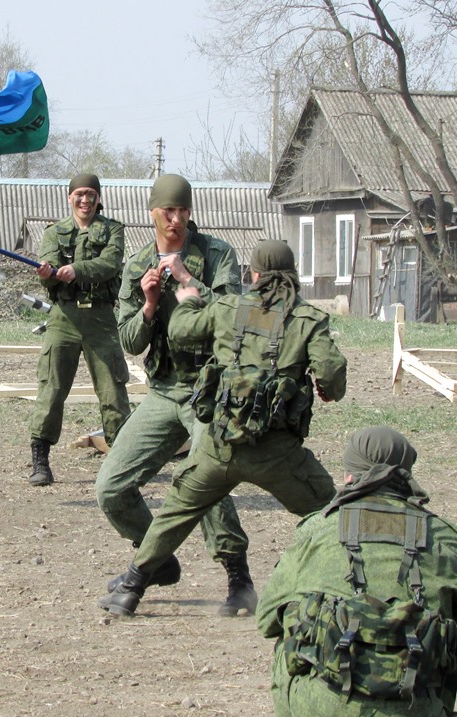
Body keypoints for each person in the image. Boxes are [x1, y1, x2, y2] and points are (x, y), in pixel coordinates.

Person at [99, 239, 348, 618]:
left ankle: (131, 588)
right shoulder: (308, 320)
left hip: (221, 448)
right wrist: (325, 388)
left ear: (254, 275)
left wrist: (192, 297)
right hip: (278, 455)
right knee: (331, 512)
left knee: (175, 512)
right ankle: (349, 581)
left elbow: (181, 330)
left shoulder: (229, 308)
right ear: (294, 276)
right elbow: (332, 376)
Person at [257, 426, 457, 717]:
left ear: (348, 474)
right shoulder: (448, 542)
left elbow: (268, 619)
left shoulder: (317, 529)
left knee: (288, 641)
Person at [94, 173, 257, 616]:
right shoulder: (137, 265)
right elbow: (129, 341)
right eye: (168, 210)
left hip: (209, 389)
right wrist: (148, 306)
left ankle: (238, 579)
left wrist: (188, 280)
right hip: (165, 391)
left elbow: (236, 318)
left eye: (183, 210)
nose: (176, 218)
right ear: (152, 213)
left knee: (204, 479)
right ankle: (159, 559)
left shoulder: (217, 255)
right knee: (110, 487)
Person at [28, 173, 130, 486]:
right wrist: (47, 273)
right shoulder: (53, 232)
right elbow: (48, 269)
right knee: (52, 388)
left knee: (113, 390)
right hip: (63, 318)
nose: (85, 200)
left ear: (99, 198)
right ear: (69, 197)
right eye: (79, 194)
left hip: (100, 319)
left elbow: (110, 264)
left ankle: (123, 461)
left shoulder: (113, 230)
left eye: (91, 194)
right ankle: (40, 460)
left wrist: (76, 270)